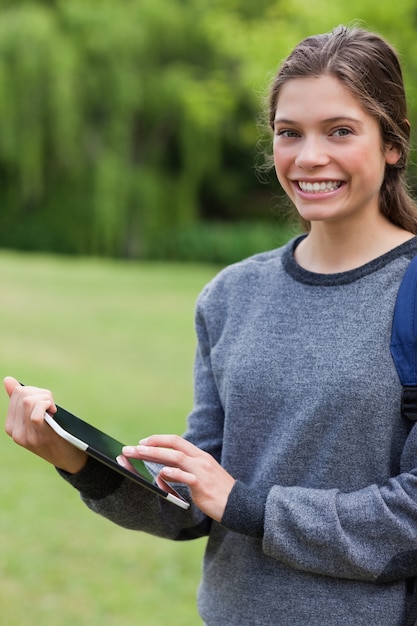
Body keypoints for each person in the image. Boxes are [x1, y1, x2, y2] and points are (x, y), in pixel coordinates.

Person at [5, 24, 417, 625]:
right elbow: (197, 505)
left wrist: (247, 504)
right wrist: (74, 459)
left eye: (340, 131)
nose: (309, 157)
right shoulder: (231, 295)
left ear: (392, 144)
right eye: (288, 133)